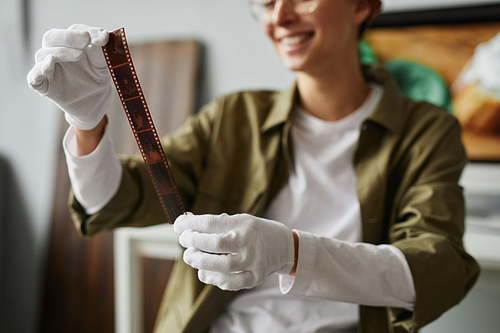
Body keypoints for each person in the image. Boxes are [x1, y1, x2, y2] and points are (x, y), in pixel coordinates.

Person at [27, 0, 479, 332]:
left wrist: (292, 253)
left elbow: (436, 267)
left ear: (362, 6)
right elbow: (120, 201)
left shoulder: (427, 132)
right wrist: (86, 123)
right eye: (265, 1)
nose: (278, 17)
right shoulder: (232, 117)